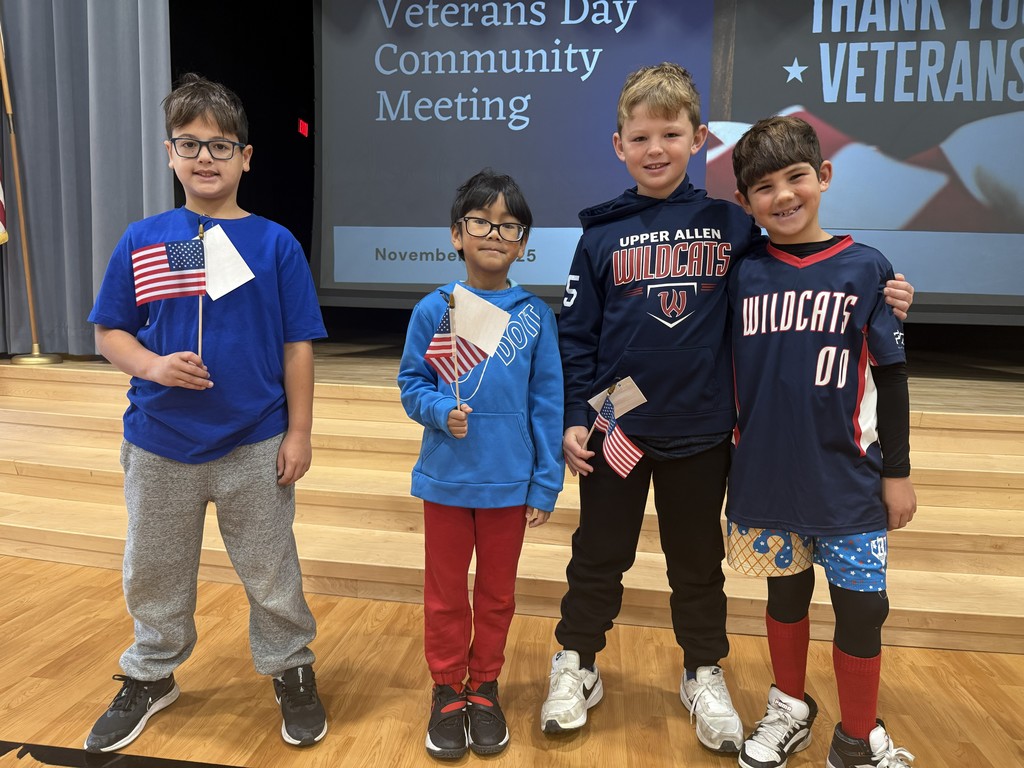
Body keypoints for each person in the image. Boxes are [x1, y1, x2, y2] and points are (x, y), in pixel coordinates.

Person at [541, 62, 915, 753]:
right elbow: (577, 338)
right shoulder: (600, 237)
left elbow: (804, 248)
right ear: (618, 144)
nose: (656, 148)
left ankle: (702, 669)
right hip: (619, 426)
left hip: (705, 431)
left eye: (671, 134)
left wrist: (884, 288)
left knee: (695, 561)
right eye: (641, 136)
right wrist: (577, 415)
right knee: (598, 553)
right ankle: (577, 661)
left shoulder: (730, 224)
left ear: (698, 139)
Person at [84, 73, 328, 753]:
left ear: (246, 158)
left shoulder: (276, 244)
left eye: (221, 146)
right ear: (169, 155)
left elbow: (297, 345)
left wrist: (300, 431)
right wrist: (155, 366)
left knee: (272, 569)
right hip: (161, 441)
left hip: (256, 441)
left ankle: (291, 667)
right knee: (153, 570)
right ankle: (152, 673)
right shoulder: (145, 237)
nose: (205, 158)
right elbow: (110, 333)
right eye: (189, 144)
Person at [727, 115, 916, 768]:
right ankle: (790, 706)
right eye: (763, 186)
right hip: (767, 479)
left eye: (795, 177)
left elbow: (890, 380)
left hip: (849, 483)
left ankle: (857, 740)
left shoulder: (868, 268)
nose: (782, 195)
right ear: (745, 201)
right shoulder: (742, 273)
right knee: (785, 597)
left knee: (864, 612)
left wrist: (899, 470)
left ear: (824, 176)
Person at [397, 169, 564, 759]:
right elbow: (412, 384)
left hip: (508, 485)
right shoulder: (434, 308)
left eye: (509, 226)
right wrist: (443, 410)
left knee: (496, 595)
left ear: (523, 243)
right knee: (445, 594)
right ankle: (447, 688)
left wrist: (546, 483)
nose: (494, 234)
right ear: (456, 235)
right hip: (446, 480)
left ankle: (485, 685)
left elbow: (548, 405)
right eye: (481, 223)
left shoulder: (535, 316)